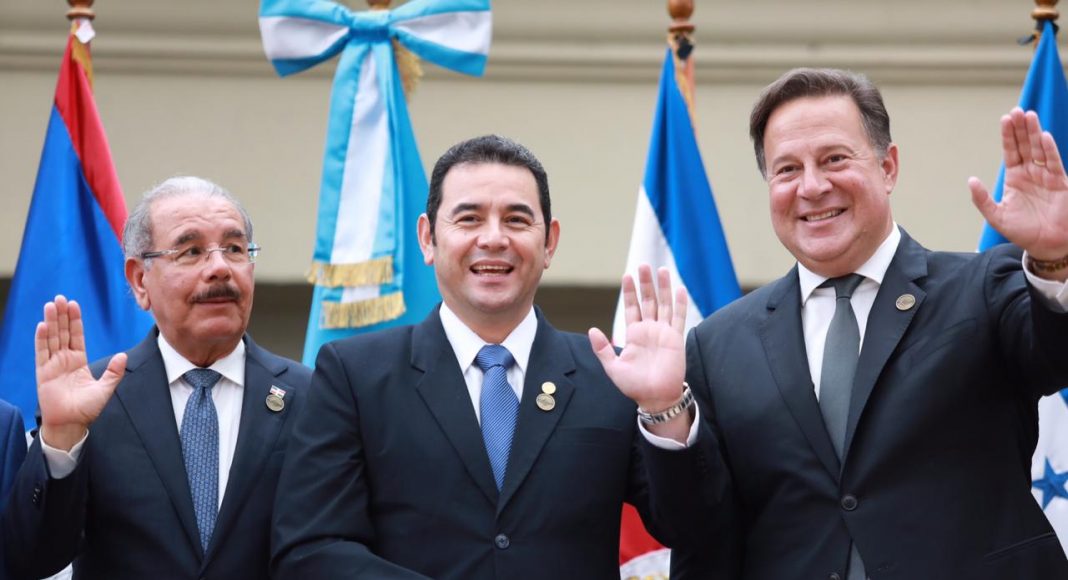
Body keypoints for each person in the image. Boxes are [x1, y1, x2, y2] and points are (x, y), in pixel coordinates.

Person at [600, 67, 1068, 580]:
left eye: (834, 160)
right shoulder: (717, 346)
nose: (812, 186)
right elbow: (696, 526)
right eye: (787, 170)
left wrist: (1054, 260)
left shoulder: (982, 287)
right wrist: (665, 410)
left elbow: (1056, 353)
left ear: (888, 167)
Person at [271, 135, 712, 579]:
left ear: (549, 242)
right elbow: (312, 548)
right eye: (469, 219)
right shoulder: (355, 375)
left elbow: (695, 528)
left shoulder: (611, 375)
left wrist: (663, 409)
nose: (494, 238)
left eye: (517, 220)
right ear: (427, 238)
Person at [1, 177, 310, 580]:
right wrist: (62, 442)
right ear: (139, 280)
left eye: (235, 248)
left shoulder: (313, 397)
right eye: (192, 251)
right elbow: (28, 561)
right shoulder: (93, 397)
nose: (220, 268)